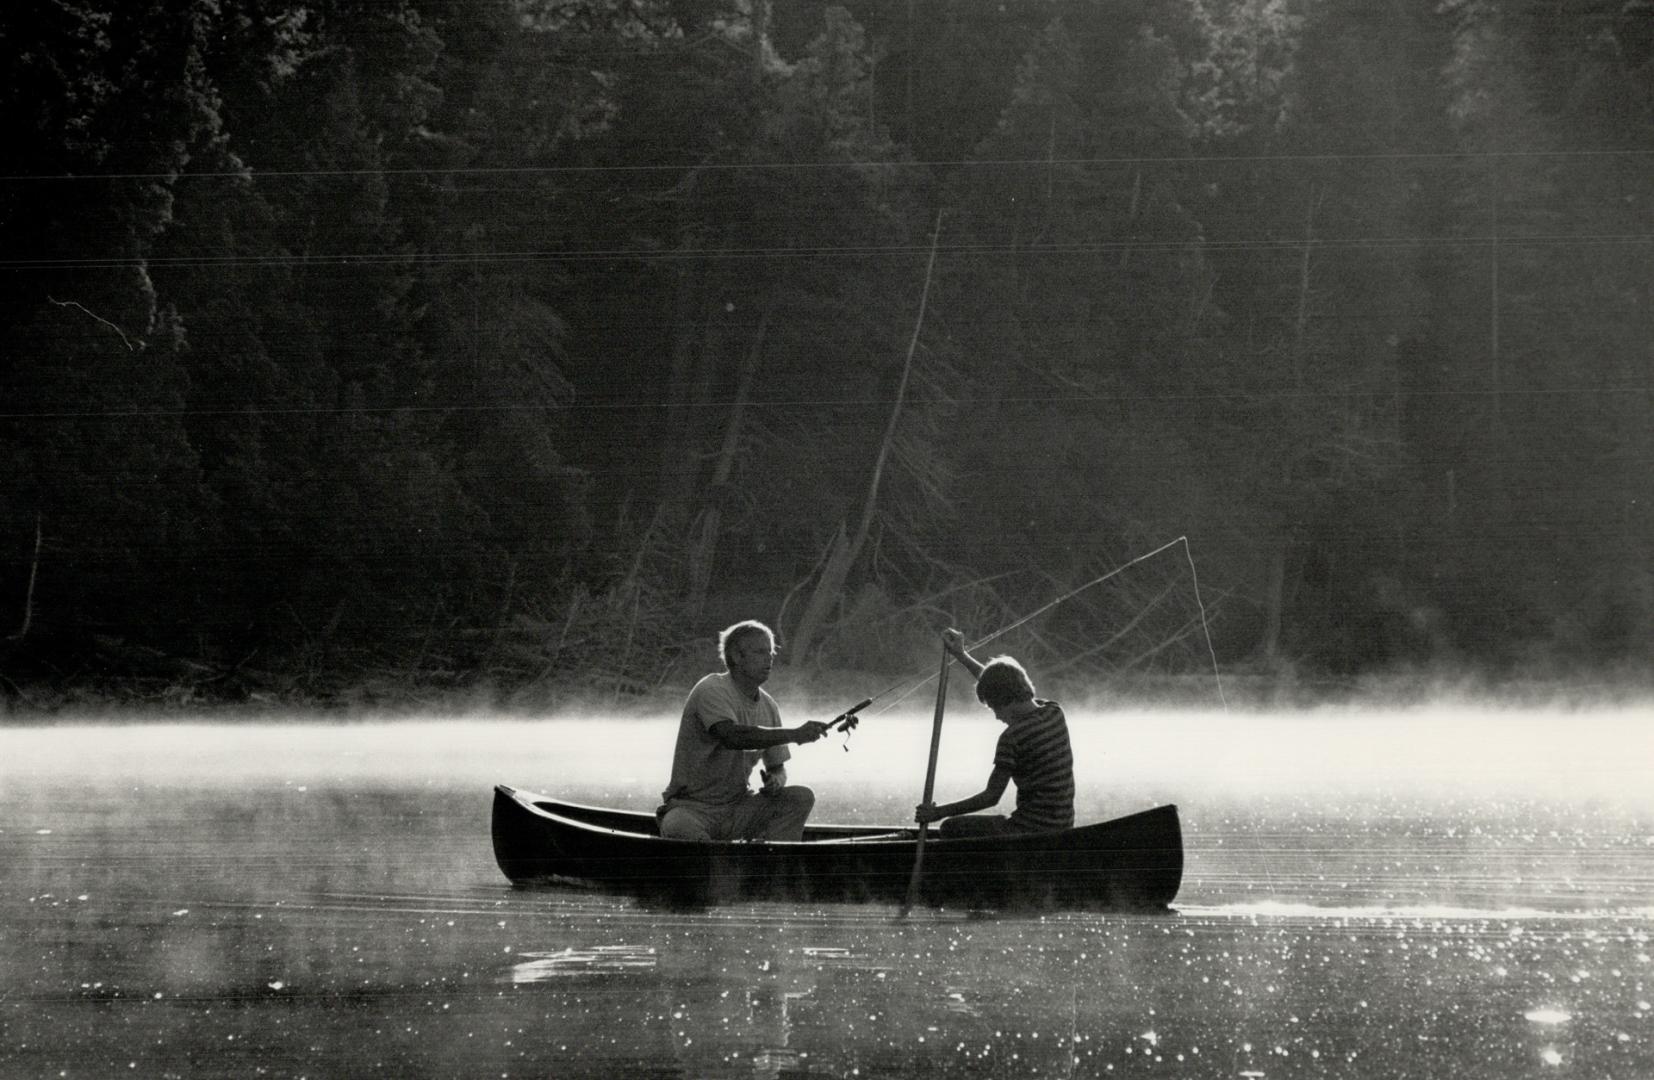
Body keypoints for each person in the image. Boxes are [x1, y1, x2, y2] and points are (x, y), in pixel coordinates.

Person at [658, 620, 831, 842]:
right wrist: (795, 734)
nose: (769, 658)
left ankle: (773, 862)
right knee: (680, 828)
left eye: (770, 652)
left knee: (800, 797)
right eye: (760, 652)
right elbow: (732, 736)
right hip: (693, 810)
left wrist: (775, 782)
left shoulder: (769, 706)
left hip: (739, 808)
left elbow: (778, 768)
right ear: (737, 657)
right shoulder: (711, 689)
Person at [914, 628, 1075, 837]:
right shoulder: (1054, 711)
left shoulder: (1013, 737)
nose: (997, 716)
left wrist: (938, 812)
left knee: (950, 828)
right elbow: (998, 683)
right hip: (1063, 826)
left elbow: (991, 797)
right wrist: (962, 656)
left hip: (1029, 832)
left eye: (993, 707)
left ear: (1005, 700)